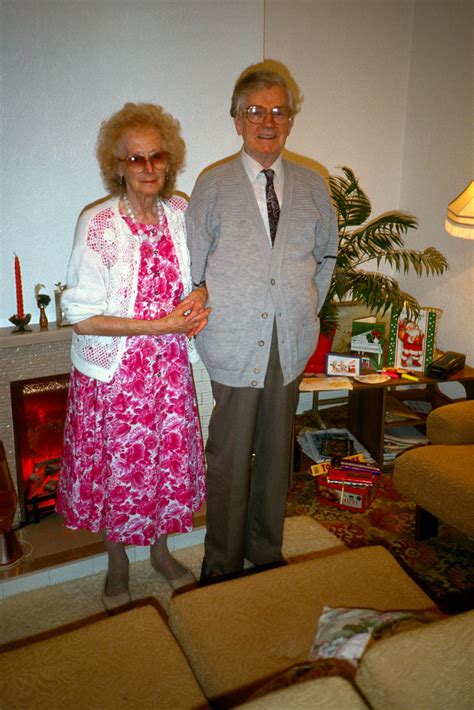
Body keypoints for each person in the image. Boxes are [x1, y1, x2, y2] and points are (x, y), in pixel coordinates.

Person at [186, 67, 338, 583]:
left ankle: (265, 552)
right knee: (228, 455)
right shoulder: (213, 183)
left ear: (291, 121)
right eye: (255, 110)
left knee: (277, 451)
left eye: (278, 111)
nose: (267, 121)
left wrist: (303, 305)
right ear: (237, 120)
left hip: (290, 340)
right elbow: (194, 266)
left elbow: (327, 256)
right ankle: (222, 564)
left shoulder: (314, 185)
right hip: (232, 341)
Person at [56, 102, 210, 611]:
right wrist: (159, 324)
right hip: (115, 374)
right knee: (119, 469)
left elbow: (203, 279)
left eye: (156, 156)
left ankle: (162, 553)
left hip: (167, 371)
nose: (148, 168)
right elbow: (80, 315)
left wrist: (200, 300)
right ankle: (117, 561)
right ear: (118, 166)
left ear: (169, 160)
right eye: (135, 159)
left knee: (165, 464)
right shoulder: (97, 223)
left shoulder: (183, 214)